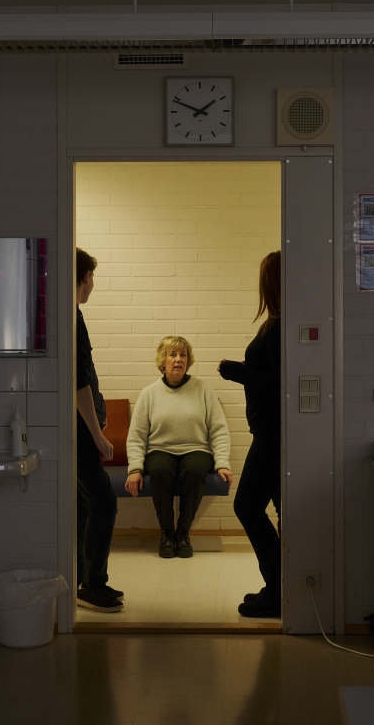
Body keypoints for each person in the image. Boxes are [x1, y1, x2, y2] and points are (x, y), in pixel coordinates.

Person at [125, 336, 232, 559]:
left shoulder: (203, 389)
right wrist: (135, 469)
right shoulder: (149, 393)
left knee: (195, 470)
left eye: (183, 355)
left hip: (197, 449)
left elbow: (219, 430)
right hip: (160, 450)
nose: (178, 359)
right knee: (160, 470)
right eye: (172, 354)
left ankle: (183, 533)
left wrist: (222, 462)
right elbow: (136, 436)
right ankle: (166, 533)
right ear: (162, 361)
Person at [218, 250, 282, 618]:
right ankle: (278, 587)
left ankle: (276, 592)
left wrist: (236, 372)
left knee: (246, 506)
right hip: (269, 432)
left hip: (272, 436)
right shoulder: (273, 323)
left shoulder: (278, 326)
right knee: (273, 509)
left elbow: (279, 383)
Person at [75, 248, 123, 613]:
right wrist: (97, 433)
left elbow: (87, 378)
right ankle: (93, 585)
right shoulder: (72, 319)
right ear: (84, 277)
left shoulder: (73, 315)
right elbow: (78, 385)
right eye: (92, 276)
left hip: (84, 427)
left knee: (85, 506)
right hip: (80, 433)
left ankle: (84, 578)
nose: (93, 283)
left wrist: (100, 410)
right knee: (103, 504)